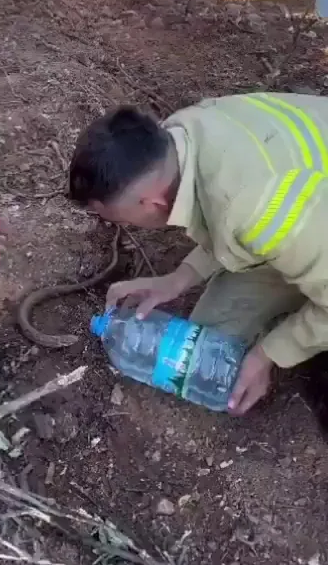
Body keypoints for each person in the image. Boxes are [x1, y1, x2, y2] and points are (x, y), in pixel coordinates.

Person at [69, 92, 328, 416]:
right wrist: (178, 280)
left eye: (120, 219)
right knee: (210, 338)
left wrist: (269, 354)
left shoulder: (255, 209)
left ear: (152, 203)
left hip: (307, 217)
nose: (124, 226)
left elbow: (245, 214)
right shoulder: (184, 133)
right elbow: (218, 214)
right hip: (310, 207)